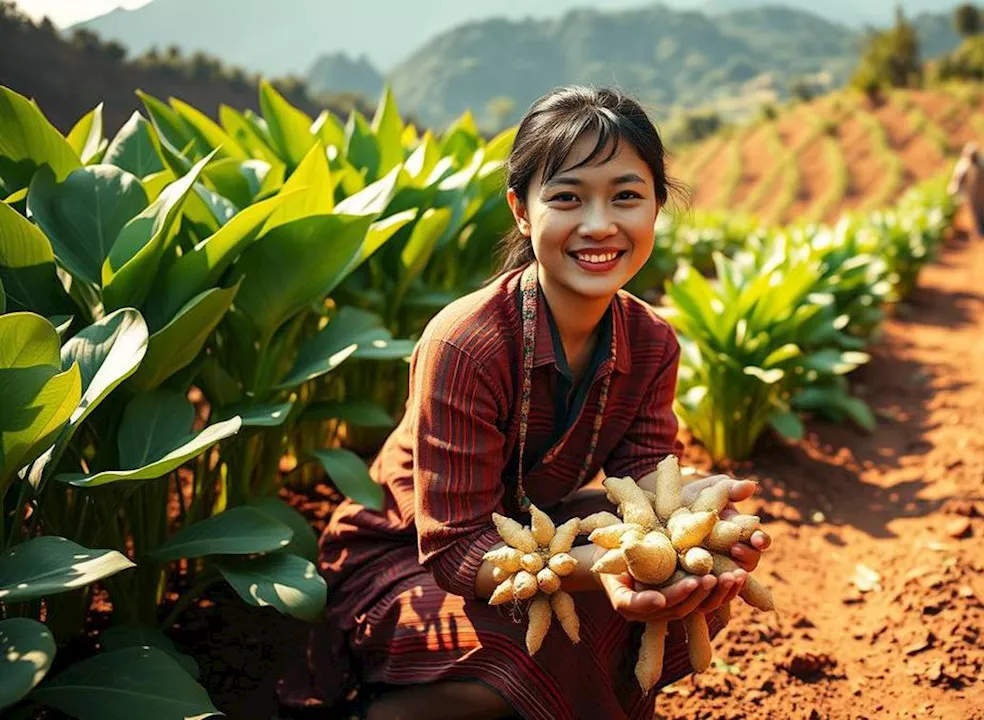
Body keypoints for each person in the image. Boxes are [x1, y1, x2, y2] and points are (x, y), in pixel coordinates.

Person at [278, 86, 772, 720]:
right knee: (535, 649)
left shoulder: (651, 339)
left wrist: (701, 523)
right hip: (407, 560)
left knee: (692, 590)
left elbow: (646, 476)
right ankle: (395, 710)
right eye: (567, 197)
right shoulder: (466, 343)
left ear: (656, 207)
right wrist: (610, 566)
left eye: (626, 196)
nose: (599, 225)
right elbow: (457, 552)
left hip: (537, 534)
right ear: (520, 209)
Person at [947, 141, 984, 239]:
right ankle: (980, 230)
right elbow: (957, 181)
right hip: (971, 193)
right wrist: (955, 190)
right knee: (975, 211)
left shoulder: (981, 162)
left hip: (981, 190)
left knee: (983, 208)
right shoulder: (963, 166)